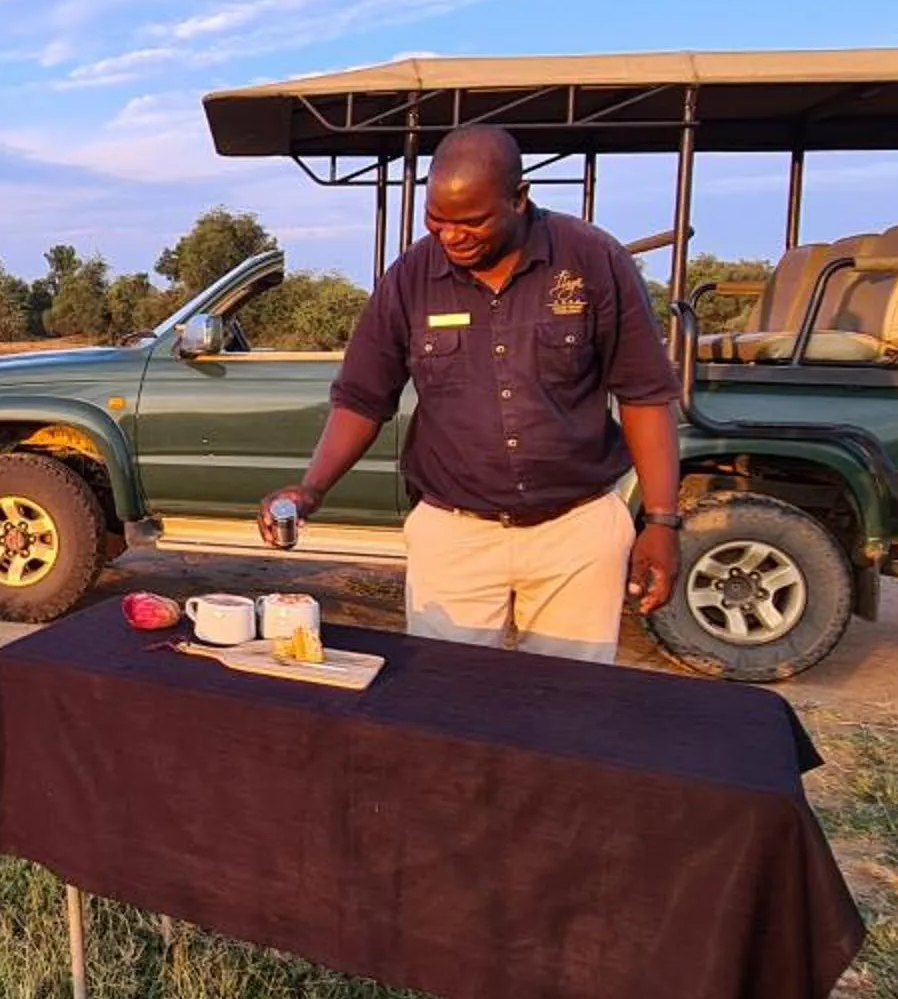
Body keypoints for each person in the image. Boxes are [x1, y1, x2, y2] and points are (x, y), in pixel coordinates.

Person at [257, 126, 682, 662]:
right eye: (437, 219)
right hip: (454, 533)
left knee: (568, 697)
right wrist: (312, 488)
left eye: (472, 221)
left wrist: (661, 520)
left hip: (576, 532)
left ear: (519, 199)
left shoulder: (592, 260)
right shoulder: (411, 277)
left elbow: (645, 394)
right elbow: (363, 398)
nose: (452, 236)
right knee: (442, 691)